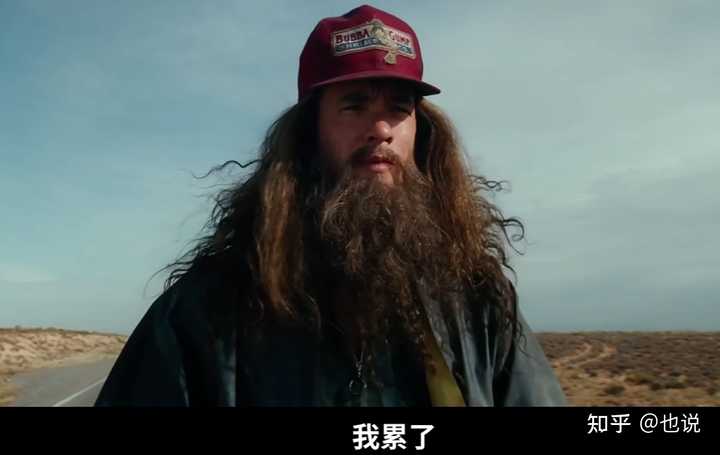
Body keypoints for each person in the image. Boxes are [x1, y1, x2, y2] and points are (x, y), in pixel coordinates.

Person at [95, 4, 567, 407]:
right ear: (308, 132)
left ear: (420, 132)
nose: (380, 128)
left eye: (399, 108)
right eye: (354, 105)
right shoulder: (210, 309)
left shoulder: (477, 298)